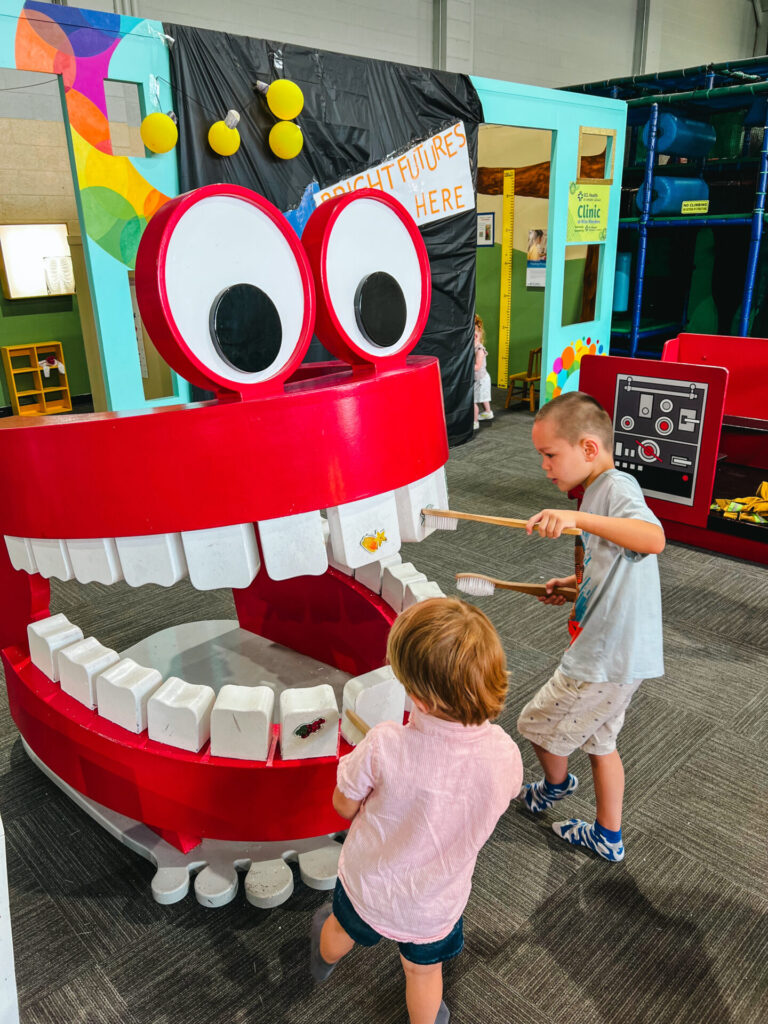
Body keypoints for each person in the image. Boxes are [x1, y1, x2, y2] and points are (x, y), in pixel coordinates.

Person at [310, 598, 523, 1024]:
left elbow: (341, 804)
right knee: (423, 973)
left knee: (338, 929)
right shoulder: (505, 753)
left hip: (369, 888)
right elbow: (499, 797)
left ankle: (323, 960)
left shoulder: (385, 742)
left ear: (420, 701)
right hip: (435, 903)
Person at [517, 391, 665, 862]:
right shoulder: (597, 492)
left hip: (605, 656)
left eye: (549, 455)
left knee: (534, 726)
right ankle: (608, 834)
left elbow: (653, 538)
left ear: (586, 448)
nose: (545, 467)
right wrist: (571, 585)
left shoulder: (616, 488)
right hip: (619, 652)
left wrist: (577, 517)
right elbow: (614, 562)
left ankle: (557, 785)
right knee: (602, 742)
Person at [473, 314, 493, 430]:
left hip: (481, 379)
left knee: (473, 401)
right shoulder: (473, 347)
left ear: (478, 336)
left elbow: (477, 367)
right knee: (483, 398)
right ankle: (488, 412)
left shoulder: (479, 350)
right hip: (481, 378)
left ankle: (474, 422)